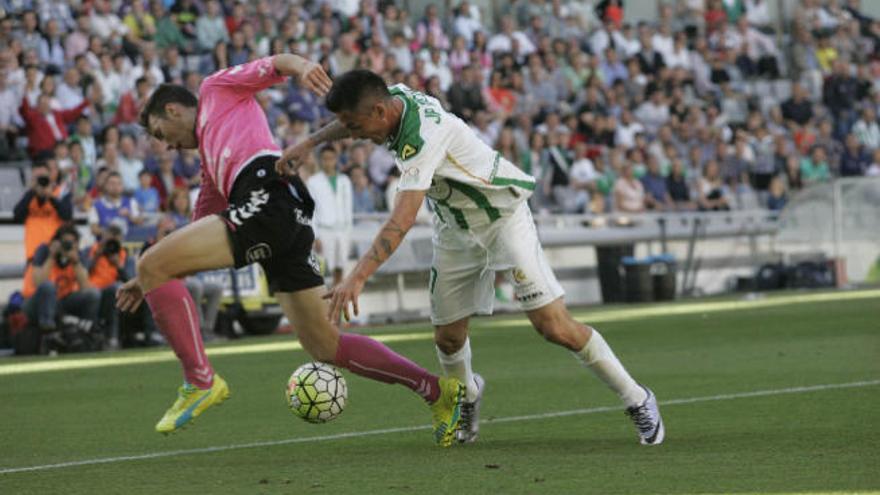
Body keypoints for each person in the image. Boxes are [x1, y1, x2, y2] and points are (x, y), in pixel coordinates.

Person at [277, 70, 664, 446]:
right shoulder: (388, 100)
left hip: (502, 218)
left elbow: (404, 217)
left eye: (356, 126)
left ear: (379, 112)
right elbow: (350, 121)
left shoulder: (421, 137)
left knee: (554, 327)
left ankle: (638, 399)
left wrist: (358, 276)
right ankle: (467, 397)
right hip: (454, 227)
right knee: (447, 338)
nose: (354, 135)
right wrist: (308, 144)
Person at [116, 55, 465, 445]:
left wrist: (301, 67)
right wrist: (147, 276)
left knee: (155, 264)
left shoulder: (214, 90)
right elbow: (201, 224)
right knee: (324, 345)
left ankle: (199, 380)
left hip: (267, 194)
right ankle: (439, 391)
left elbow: (274, 64)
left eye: (160, 132)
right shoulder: (212, 161)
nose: (165, 145)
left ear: (172, 108)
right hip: (281, 213)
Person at [22, 224, 100, 334]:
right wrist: (51, 256)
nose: (67, 246)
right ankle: (49, 332)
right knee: (48, 286)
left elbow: (85, 287)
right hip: (37, 301)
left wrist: (76, 262)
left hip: (63, 301)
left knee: (93, 294)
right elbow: (39, 283)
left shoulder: (78, 254)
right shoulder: (44, 250)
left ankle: (87, 332)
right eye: (65, 242)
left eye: (71, 242)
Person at [306, 146, 354, 286]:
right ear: (321, 161)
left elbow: (348, 209)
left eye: (331, 159)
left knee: (342, 269)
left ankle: (339, 303)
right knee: (326, 270)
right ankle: (327, 305)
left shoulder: (344, 180)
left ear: (336, 160)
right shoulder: (313, 182)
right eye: (325, 159)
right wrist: (316, 236)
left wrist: (349, 233)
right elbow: (311, 210)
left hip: (343, 229)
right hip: (324, 229)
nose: (328, 162)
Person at [14, 160, 73, 261]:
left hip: (55, 251)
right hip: (33, 253)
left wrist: (50, 196)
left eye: (43, 177)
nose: (41, 181)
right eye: (37, 177)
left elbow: (67, 215)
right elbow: (17, 216)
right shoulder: (29, 196)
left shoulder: (60, 193)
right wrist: (32, 191)